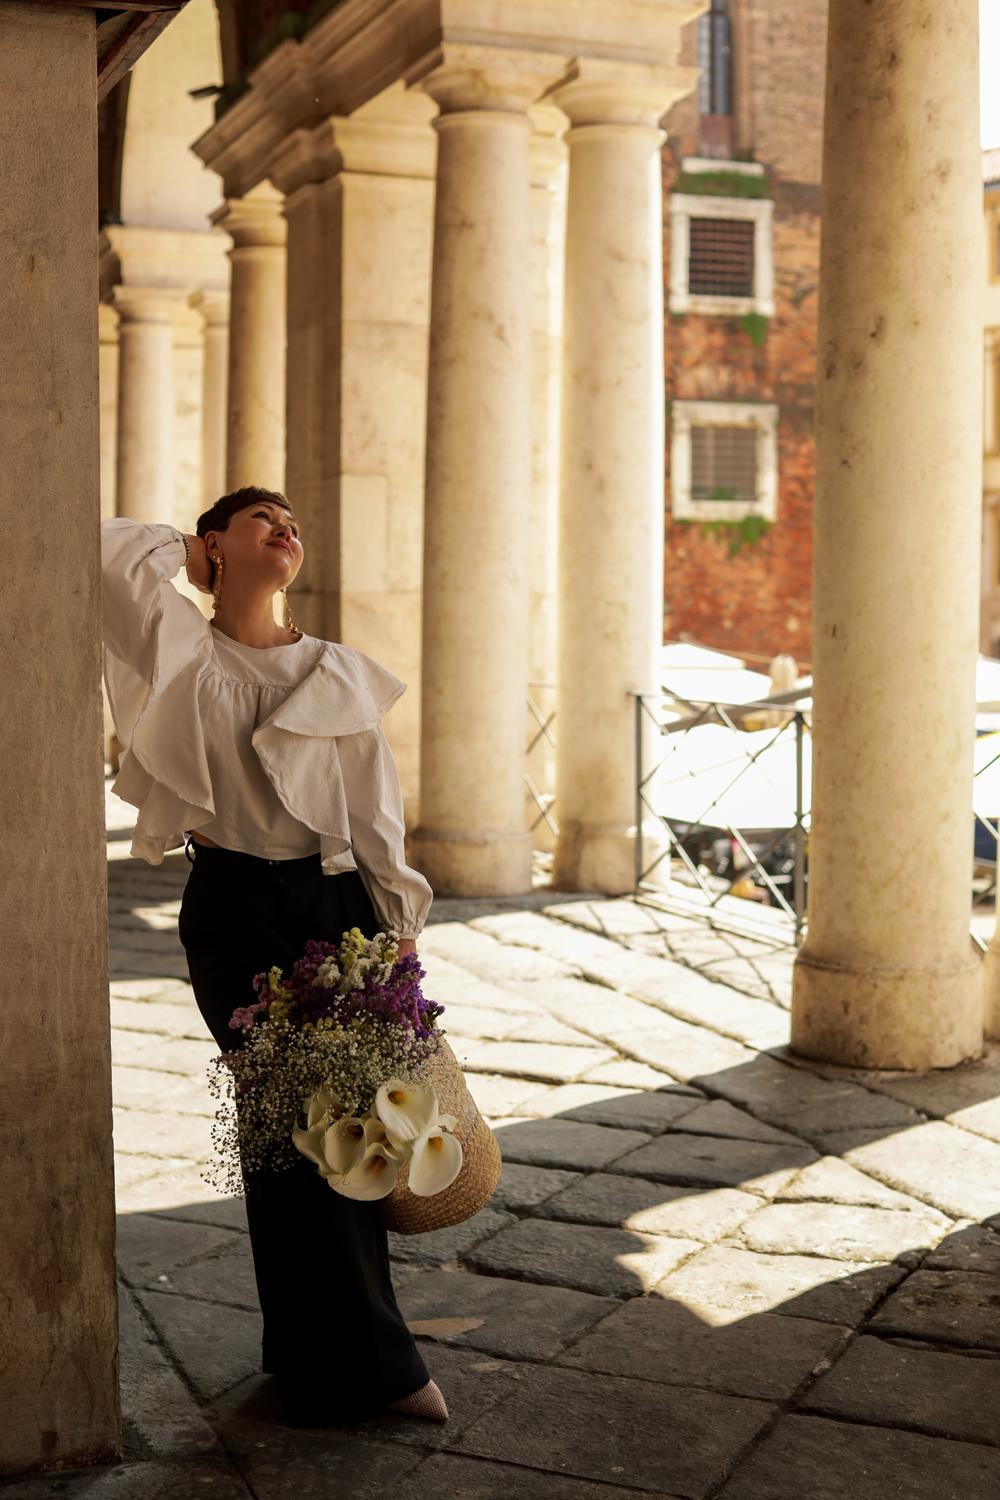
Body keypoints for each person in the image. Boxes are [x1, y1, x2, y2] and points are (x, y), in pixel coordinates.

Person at [101, 486, 447, 1426]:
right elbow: (100, 557)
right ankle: (379, 1363)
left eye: (294, 522)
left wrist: (400, 943)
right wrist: (186, 548)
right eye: (263, 520)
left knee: (345, 1136)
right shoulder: (181, 651)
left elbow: (376, 816)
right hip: (231, 910)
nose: (286, 531)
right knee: (291, 1124)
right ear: (216, 544)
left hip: (334, 913)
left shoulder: (335, 671)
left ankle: (310, 1352)